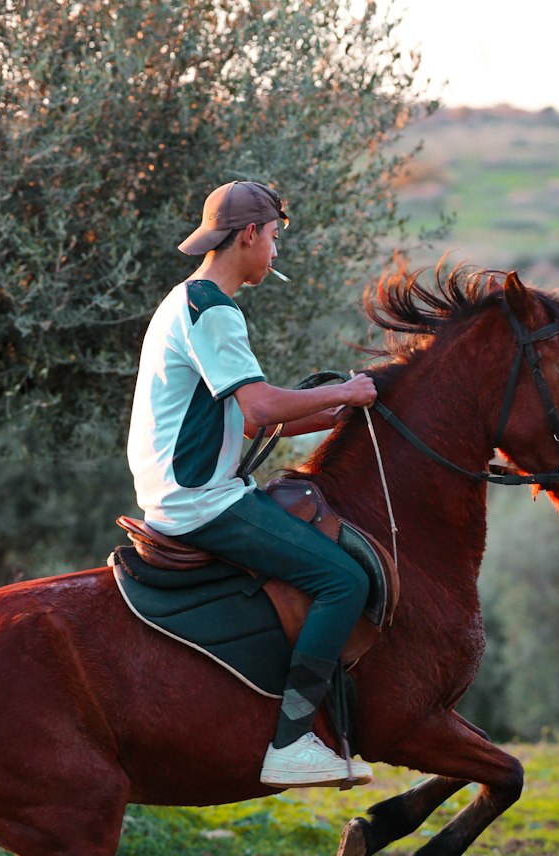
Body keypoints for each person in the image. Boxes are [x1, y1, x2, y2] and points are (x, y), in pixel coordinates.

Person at [127, 180, 377, 788]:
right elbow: (261, 407)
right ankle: (291, 742)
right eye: (273, 238)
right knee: (344, 580)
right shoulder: (213, 308)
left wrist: (334, 413)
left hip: (183, 493)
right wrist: (344, 391)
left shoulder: (186, 300)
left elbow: (244, 412)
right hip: (199, 503)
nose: (274, 252)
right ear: (248, 235)